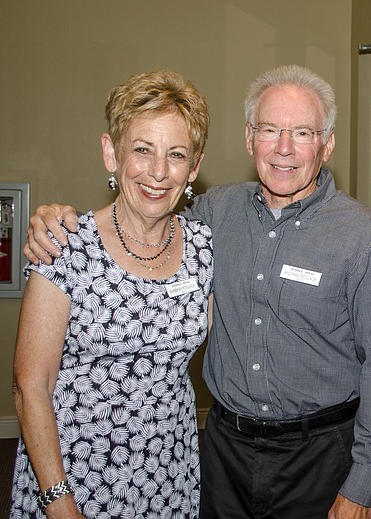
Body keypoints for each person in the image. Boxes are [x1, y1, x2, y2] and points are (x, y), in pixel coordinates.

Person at [25, 64, 371, 519]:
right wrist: (54, 217)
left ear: (326, 145)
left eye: (302, 133)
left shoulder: (364, 236)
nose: (284, 148)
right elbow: (143, 220)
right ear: (250, 139)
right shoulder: (213, 215)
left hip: (321, 457)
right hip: (224, 453)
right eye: (269, 129)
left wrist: (363, 485)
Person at [11, 70, 212, 518]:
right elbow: (30, 386)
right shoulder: (63, 244)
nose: (158, 172)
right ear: (111, 153)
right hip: (74, 476)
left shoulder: (204, 247)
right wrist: (59, 503)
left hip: (169, 475)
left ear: (194, 166)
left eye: (176, 154)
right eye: (142, 149)